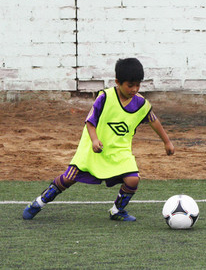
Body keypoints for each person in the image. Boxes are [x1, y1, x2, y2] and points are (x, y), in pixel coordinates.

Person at [22, 58, 175, 221]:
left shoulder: (141, 104)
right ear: (117, 82)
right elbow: (90, 121)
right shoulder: (105, 97)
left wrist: (167, 142)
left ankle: (117, 211)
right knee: (68, 178)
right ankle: (39, 202)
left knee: (133, 179)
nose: (134, 89)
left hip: (119, 151)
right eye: (130, 85)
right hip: (92, 150)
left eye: (138, 85)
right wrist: (94, 140)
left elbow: (153, 120)